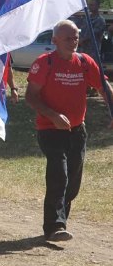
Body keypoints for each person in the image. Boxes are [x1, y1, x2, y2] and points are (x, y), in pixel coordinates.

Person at [25, 19, 112, 242]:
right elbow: (31, 96)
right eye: (68, 38)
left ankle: (60, 221)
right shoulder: (45, 63)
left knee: (72, 181)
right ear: (55, 41)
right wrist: (53, 116)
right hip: (50, 129)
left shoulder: (84, 62)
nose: (73, 42)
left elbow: (103, 87)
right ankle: (55, 226)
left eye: (75, 37)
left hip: (77, 130)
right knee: (59, 174)